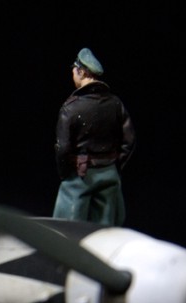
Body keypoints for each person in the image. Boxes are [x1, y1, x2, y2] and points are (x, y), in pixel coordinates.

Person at [53, 48, 135, 226]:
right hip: (109, 173)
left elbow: (63, 148)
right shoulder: (115, 103)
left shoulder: (71, 108)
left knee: (68, 228)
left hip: (79, 176)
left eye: (74, 70)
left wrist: (66, 174)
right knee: (107, 228)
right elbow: (129, 140)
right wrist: (114, 165)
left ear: (81, 72)